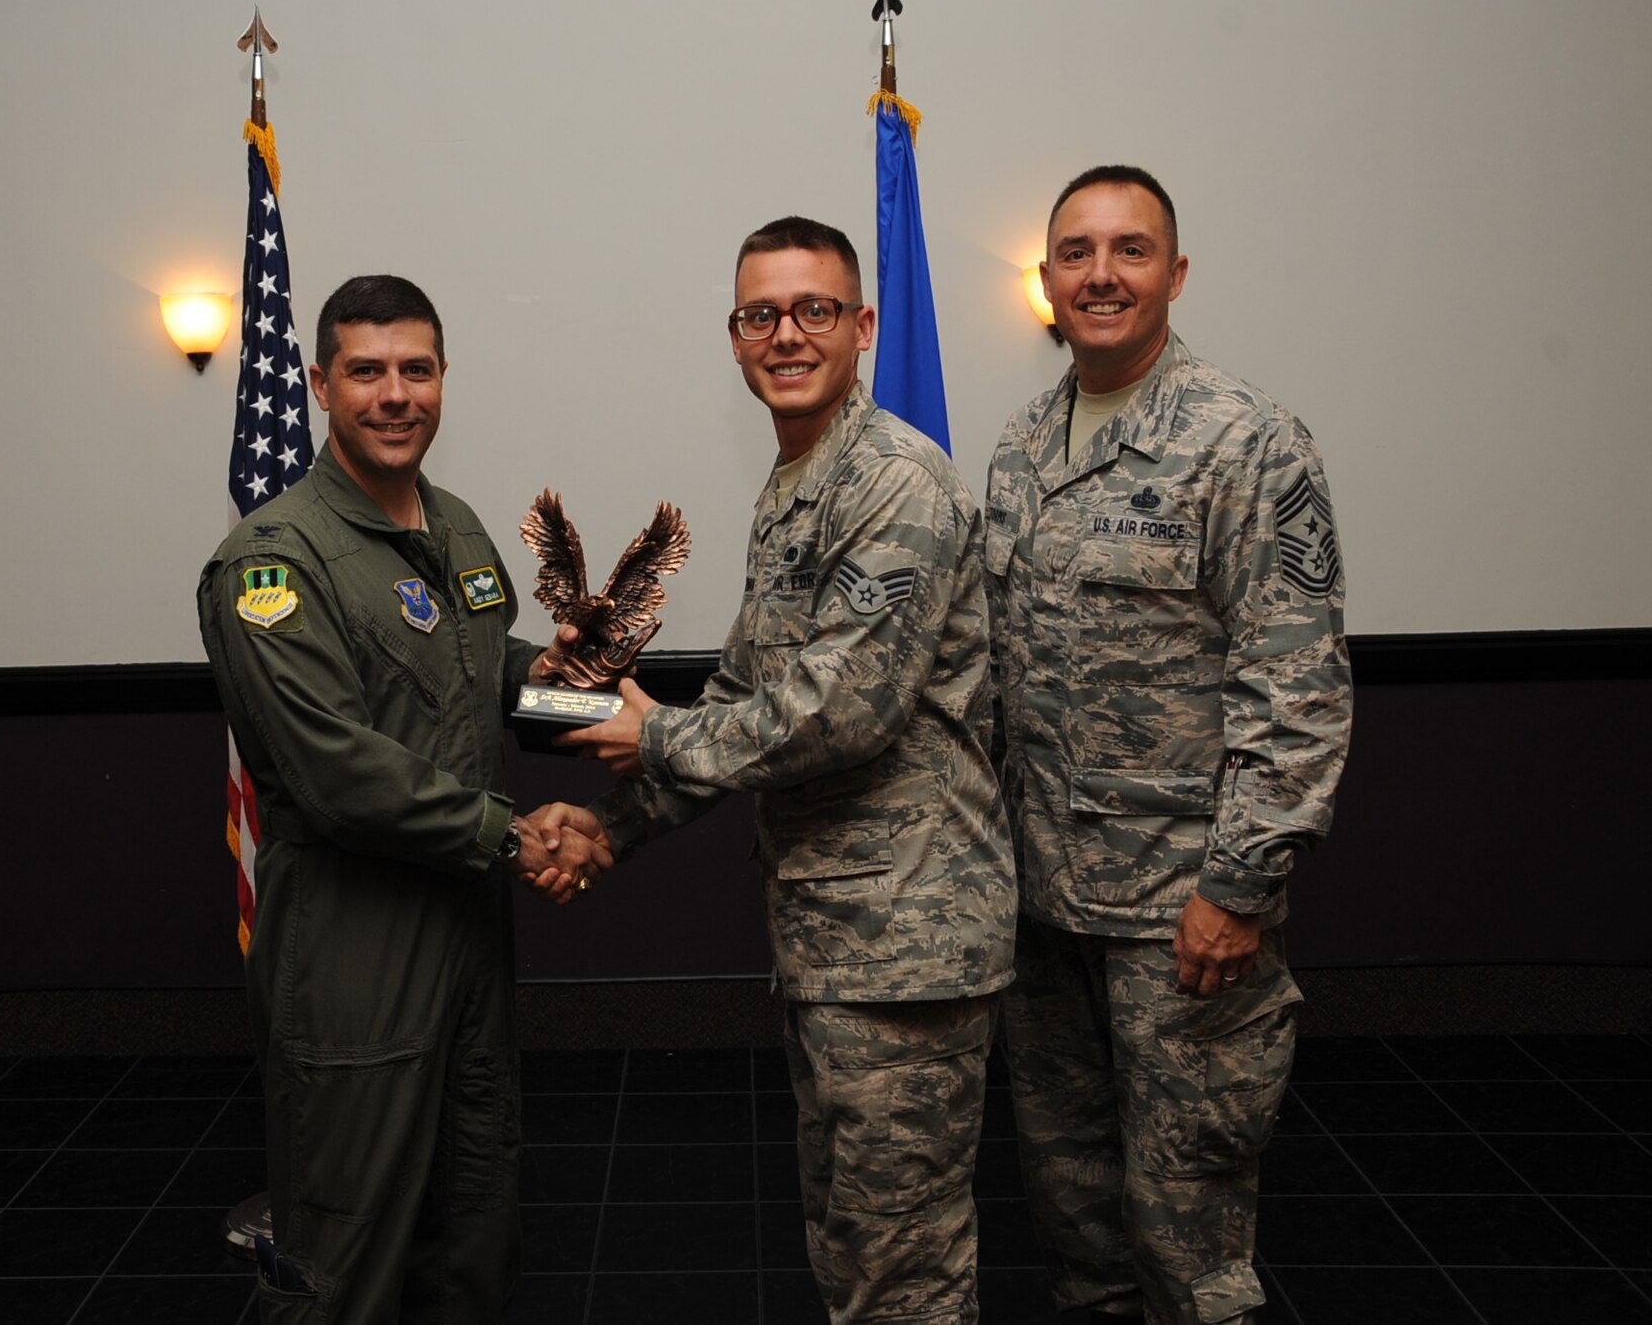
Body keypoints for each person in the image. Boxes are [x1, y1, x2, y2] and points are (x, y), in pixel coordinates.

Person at [534, 217, 1017, 1324]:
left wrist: (644, 735)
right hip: (836, 939)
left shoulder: (892, 482)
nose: (785, 334)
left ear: (861, 327)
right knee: (854, 1244)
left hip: (907, 949)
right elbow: (742, 703)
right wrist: (614, 822)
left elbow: (831, 715)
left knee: (901, 1273)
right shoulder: (798, 483)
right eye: (760, 314)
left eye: (812, 310)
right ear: (734, 336)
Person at [196, 274, 606, 1324]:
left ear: (441, 379)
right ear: (322, 386)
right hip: (352, 943)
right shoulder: (272, 560)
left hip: (466, 928)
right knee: (344, 1249)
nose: (394, 394)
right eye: (366, 371)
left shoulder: (457, 527)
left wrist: (588, 696)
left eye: (414, 369)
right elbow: (332, 767)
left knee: (470, 1224)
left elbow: (485, 673)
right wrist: (515, 836)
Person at [985, 167, 1353, 1325]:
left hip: (1177, 919)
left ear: (1174, 274)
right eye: (1077, 252)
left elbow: (1293, 686)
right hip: (1043, 912)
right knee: (1077, 1224)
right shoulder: (1020, 446)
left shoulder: (1244, 442)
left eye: (1129, 249)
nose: (1100, 273)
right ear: (1045, 281)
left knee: (1187, 1240)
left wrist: (1237, 888)